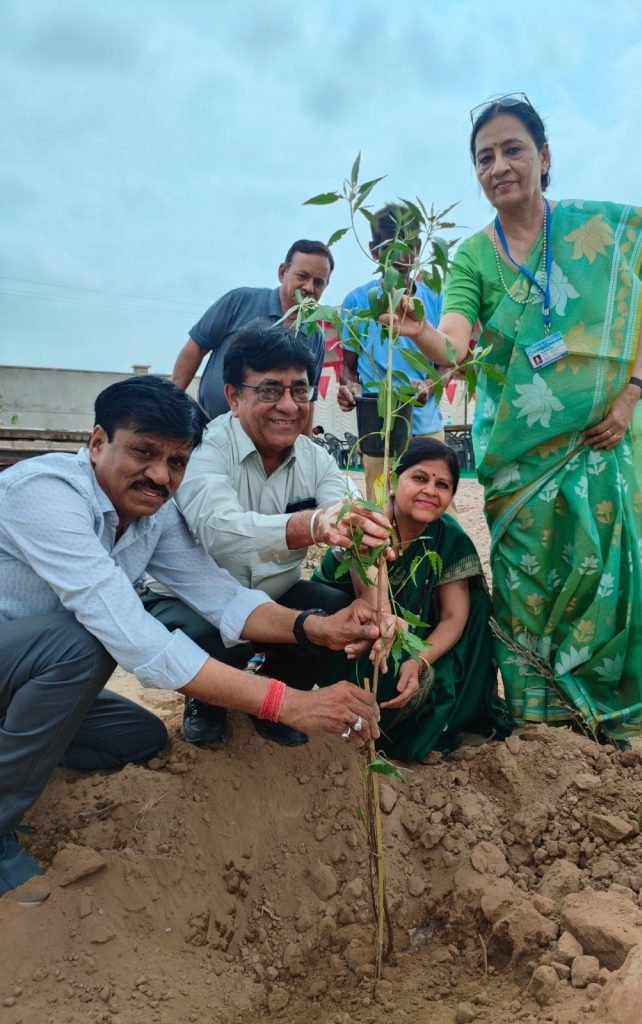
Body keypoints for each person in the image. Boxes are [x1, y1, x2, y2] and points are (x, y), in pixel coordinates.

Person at [0, 376, 386, 904]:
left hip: (24, 675)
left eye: (177, 462)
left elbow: (221, 595)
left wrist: (313, 627)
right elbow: (138, 642)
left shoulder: (150, 515)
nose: (160, 476)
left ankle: (18, 745)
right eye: (143, 452)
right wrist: (288, 702)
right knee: (83, 643)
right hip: (24, 654)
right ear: (96, 443)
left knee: (138, 740)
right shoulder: (46, 496)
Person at [386, 94, 642, 746]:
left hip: (597, 440)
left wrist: (629, 397)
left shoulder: (593, 232)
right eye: (484, 157)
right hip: (517, 453)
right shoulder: (472, 259)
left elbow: (641, 313)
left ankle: (606, 716)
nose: (499, 165)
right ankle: (539, 717)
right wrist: (422, 330)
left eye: (512, 149)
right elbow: (454, 344)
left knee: (599, 572)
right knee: (526, 579)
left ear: (543, 156)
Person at [146, 323, 392, 747]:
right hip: (190, 600)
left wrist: (377, 608)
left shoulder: (318, 461)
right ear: (232, 396)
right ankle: (207, 701)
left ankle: (277, 695)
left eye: (300, 390)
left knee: (336, 609)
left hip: (274, 595)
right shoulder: (204, 450)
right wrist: (310, 524)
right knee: (207, 634)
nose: (288, 405)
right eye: (268, 390)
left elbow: (355, 530)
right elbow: (219, 532)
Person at [314, 438, 510, 762]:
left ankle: (457, 717)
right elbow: (374, 609)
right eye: (420, 478)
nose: (431, 491)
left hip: (406, 637)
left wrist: (418, 660)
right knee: (380, 663)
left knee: (477, 610)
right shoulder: (366, 526)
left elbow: (454, 617)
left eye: (442, 485)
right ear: (393, 480)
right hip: (350, 634)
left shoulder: (449, 536)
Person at [336, 203, 452, 505]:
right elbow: (348, 368)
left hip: (425, 424)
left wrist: (431, 382)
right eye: (392, 247)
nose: (403, 257)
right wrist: (350, 388)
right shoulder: (357, 301)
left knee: (434, 508)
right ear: (374, 251)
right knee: (380, 509)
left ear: (420, 248)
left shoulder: (436, 297)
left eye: (411, 245)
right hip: (377, 427)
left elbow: (450, 360)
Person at [171, 239, 334, 422]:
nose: (309, 288)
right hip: (211, 426)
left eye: (319, 282)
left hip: (269, 441)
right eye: (302, 276)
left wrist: (305, 444)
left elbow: (308, 397)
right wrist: (172, 405)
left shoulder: (315, 336)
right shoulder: (240, 301)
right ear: (282, 273)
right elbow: (196, 348)